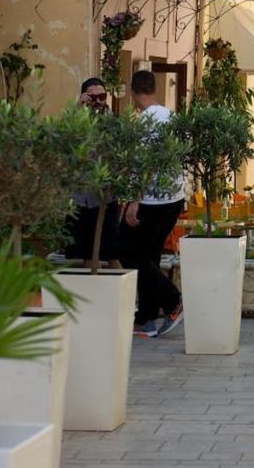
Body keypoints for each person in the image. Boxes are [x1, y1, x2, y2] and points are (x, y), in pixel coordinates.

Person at [119, 70, 185, 338]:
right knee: (150, 256)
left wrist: (134, 201)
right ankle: (145, 317)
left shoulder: (145, 122)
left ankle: (173, 301)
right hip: (174, 198)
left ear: (133, 92)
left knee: (128, 251)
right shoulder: (171, 117)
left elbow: (143, 166)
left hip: (152, 199)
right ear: (154, 89)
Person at [65, 77, 122, 268]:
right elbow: (65, 140)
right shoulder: (76, 122)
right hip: (81, 199)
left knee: (113, 253)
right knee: (86, 253)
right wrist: (78, 108)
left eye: (102, 96)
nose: (98, 101)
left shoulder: (114, 122)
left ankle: (126, 297)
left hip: (106, 198)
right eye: (93, 97)